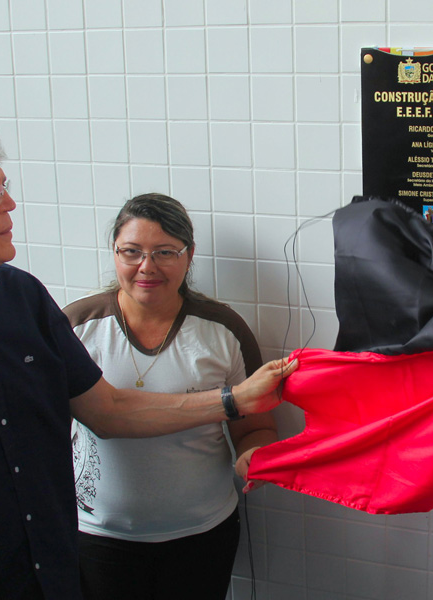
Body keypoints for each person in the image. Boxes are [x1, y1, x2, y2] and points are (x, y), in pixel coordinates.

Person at [0, 114, 296, 599]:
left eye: (166, 252)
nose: (10, 204)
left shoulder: (23, 300)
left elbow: (108, 409)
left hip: (53, 572)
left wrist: (235, 403)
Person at [64, 194, 275, 599]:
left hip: (201, 534)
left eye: (164, 252)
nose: (147, 266)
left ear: (189, 255)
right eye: (131, 252)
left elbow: (257, 426)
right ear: (114, 252)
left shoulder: (223, 330)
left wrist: (256, 455)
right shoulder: (77, 326)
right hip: (97, 536)